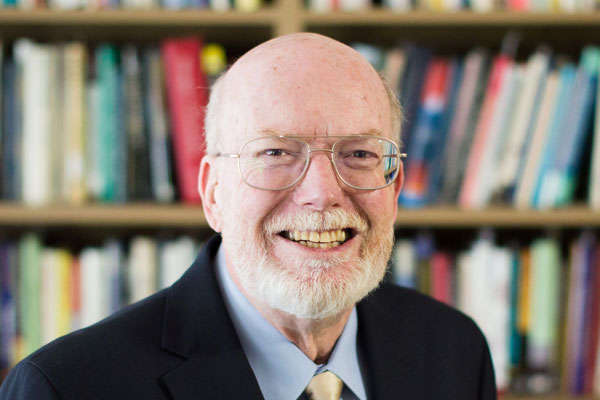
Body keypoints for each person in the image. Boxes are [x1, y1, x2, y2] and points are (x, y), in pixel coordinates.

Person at [0, 32, 496, 399]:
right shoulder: (67, 387)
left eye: (359, 154)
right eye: (275, 153)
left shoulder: (454, 351)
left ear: (395, 187)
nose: (322, 194)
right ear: (213, 192)